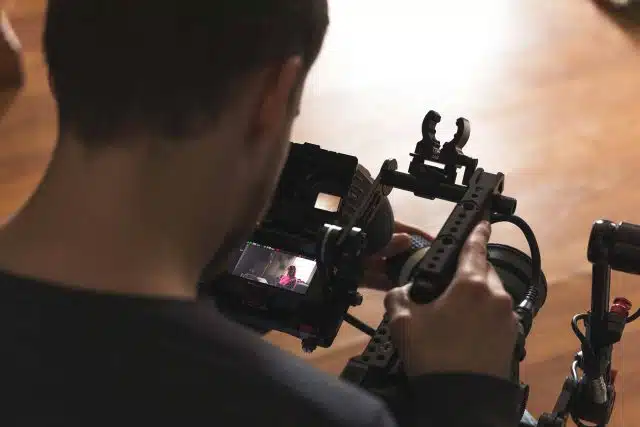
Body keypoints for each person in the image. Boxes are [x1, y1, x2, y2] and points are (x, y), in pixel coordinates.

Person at [0, 1, 536, 426]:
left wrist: (230, 285)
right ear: (273, 99)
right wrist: (468, 398)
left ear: (58, 62)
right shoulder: (315, 415)